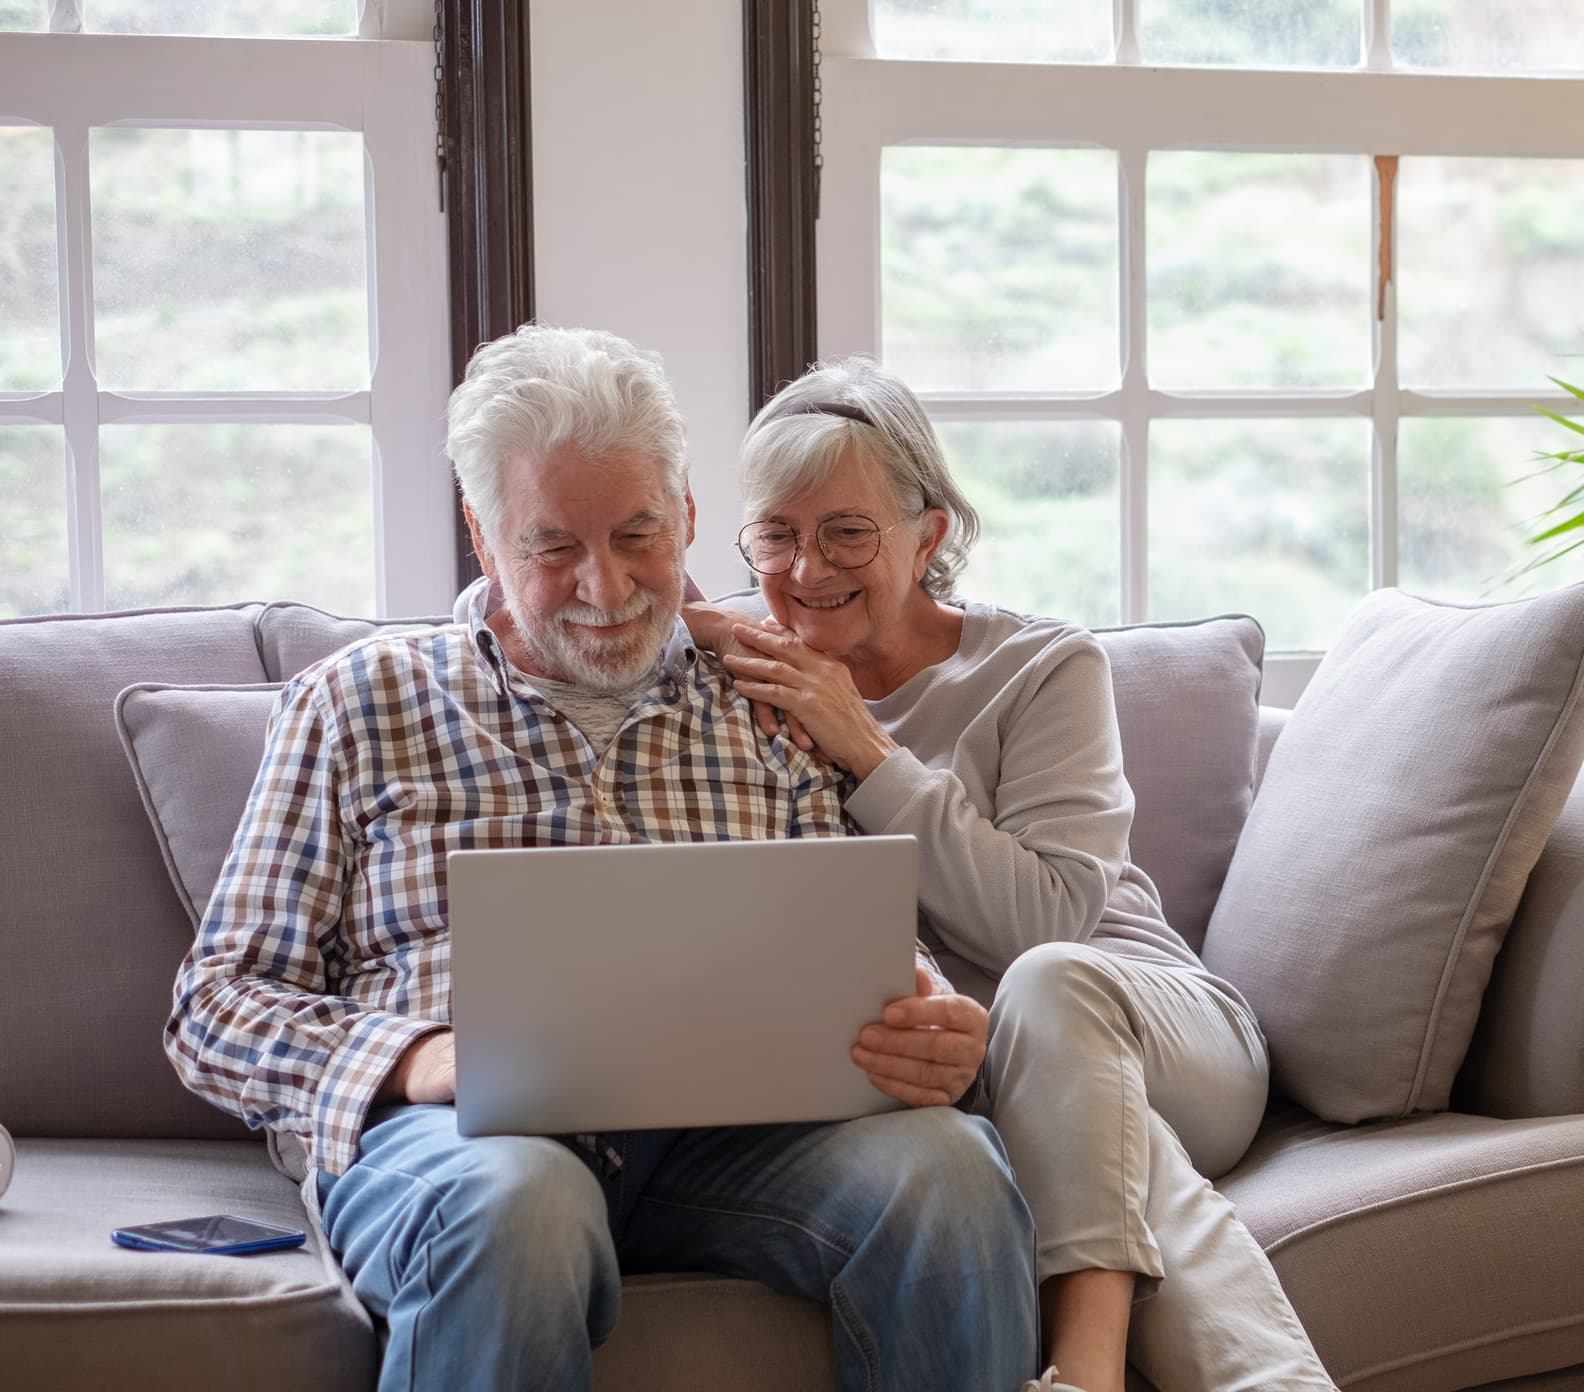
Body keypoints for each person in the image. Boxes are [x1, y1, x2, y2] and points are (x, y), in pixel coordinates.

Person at [163, 326, 1039, 1392]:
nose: (607, 585)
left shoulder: (772, 699)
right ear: (486, 542)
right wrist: (417, 1059)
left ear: (689, 521)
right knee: (524, 1203)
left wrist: (930, 1025)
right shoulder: (358, 702)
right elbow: (214, 1008)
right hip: (463, 1146)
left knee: (951, 1172)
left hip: (735, 1143)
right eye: (553, 549)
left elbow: (864, 943)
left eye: (638, 535)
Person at [686, 357, 1338, 1392]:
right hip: (985, 1078)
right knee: (1099, 1151)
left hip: (1150, 1028)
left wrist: (864, 748)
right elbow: (518, 603)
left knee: (1043, 988)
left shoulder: (1041, 668)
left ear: (929, 533)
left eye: (847, 531)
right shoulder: (735, 662)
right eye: (776, 534)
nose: (806, 570)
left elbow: (1049, 921)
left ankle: (1085, 1374)